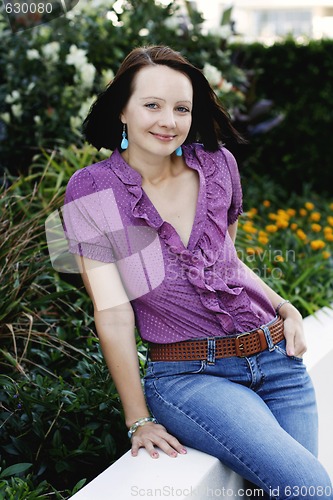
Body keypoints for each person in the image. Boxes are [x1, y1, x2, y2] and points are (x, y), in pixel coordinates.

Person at [63, 45, 333, 497]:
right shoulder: (89, 190)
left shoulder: (219, 164)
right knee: (309, 487)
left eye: (181, 108)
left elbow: (228, 261)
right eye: (152, 105)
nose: (168, 120)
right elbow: (112, 313)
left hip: (278, 362)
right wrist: (138, 418)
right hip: (192, 376)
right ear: (122, 110)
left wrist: (285, 307)